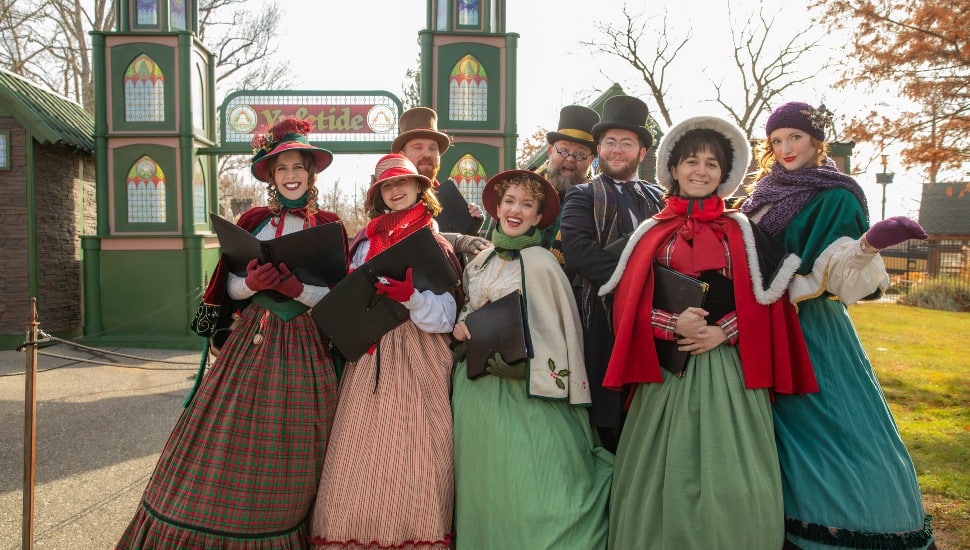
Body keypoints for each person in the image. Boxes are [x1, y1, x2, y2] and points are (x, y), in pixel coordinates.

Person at [117, 117, 346, 548]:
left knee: (292, 446)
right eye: (281, 168)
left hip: (304, 345)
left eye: (298, 167)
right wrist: (253, 284)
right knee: (218, 439)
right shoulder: (254, 220)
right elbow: (230, 286)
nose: (290, 175)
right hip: (250, 342)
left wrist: (298, 289)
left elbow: (337, 294)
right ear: (271, 176)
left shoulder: (329, 225)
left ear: (310, 173)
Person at [599, 115, 818, 549]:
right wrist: (671, 323)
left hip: (727, 369)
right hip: (667, 373)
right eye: (692, 162)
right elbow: (626, 304)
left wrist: (724, 332)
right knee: (659, 470)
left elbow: (767, 299)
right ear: (674, 168)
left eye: (712, 165)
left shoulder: (743, 229)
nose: (701, 171)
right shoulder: (651, 232)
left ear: (724, 175)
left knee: (731, 467)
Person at [741, 102, 934, 549]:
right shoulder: (764, 192)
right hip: (756, 325)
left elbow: (839, 277)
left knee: (827, 423)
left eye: (795, 137)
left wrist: (867, 246)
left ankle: (843, 523)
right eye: (776, 141)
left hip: (809, 328)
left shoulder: (837, 194)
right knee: (767, 429)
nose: (786, 148)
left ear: (815, 140)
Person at [451, 170, 613, 549]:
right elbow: (467, 308)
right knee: (485, 485)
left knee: (532, 484)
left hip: (528, 394)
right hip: (476, 392)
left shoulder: (543, 263)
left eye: (527, 205)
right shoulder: (480, 261)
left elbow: (559, 330)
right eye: (509, 201)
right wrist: (460, 328)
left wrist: (524, 368)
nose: (515, 210)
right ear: (497, 207)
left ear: (539, 217)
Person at [310, 154, 462, 550]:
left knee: (419, 455)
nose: (396, 191)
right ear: (378, 195)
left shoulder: (436, 242)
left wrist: (411, 297)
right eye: (386, 186)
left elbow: (446, 318)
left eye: (403, 183)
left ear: (419, 188)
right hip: (370, 354)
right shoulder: (364, 242)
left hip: (419, 354)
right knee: (356, 456)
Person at [559, 95, 664, 453]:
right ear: (600, 148)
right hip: (602, 319)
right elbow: (580, 254)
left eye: (627, 143)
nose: (617, 150)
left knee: (652, 413)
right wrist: (637, 289)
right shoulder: (582, 196)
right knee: (607, 421)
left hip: (657, 323)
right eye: (610, 142)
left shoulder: (661, 199)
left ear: (642, 152)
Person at [484, 105, 599, 270]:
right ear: (551, 151)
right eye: (564, 150)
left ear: (590, 160)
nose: (571, 159)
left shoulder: (598, 204)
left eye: (580, 154)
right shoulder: (517, 190)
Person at [393, 106, 490, 257]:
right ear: (402, 155)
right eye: (417, 147)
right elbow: (407, 243)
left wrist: (471, 225)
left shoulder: (448, 197)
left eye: (433, 149)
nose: (427, 154)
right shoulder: (389, 198)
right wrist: (458, 240)